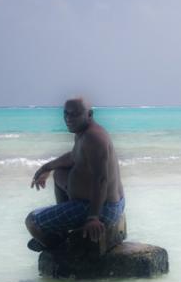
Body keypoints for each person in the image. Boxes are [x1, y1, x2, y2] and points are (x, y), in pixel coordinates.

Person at [25, 98, 125, 250]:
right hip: (101, 204)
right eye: (66, 113)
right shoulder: (83, 132)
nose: (69, 118)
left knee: (32, 222)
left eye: (75, 114)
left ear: (89, 114)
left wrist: (93, 217)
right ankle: (61, 232)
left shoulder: (94, 138)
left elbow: (101, 179)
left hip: (103, 209)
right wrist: (46, 168)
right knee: (59, 173)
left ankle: (61, 252)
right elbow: (74, 156)